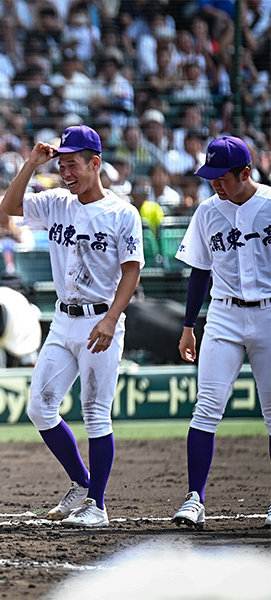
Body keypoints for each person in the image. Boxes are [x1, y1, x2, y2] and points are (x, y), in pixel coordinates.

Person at [0, 124, 143, 528]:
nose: (66, 172)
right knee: (40, 407)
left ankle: (97, 505)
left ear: (95, 164)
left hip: (100, 319)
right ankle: (82, 482)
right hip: (64, 320)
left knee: (96, 413)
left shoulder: (121, 213)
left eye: (74, 164)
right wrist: (31, 164)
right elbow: (8, 207)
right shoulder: (57, 202)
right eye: (62, 164)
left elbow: (132, 271)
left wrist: (112, 318)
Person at [171, 136, 271, 530]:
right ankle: (194, 498)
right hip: (224, 316)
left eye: (221, 177)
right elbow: (199, 271)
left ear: (245, 173)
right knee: (206, 408)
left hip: (268, 313)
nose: (214, 183)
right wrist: (188, 326)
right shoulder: (208, 212)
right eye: (210, 176)